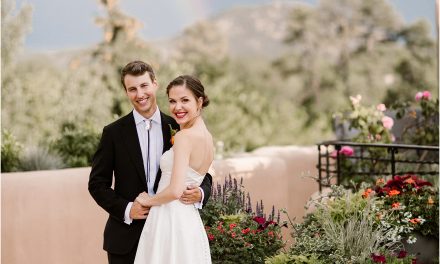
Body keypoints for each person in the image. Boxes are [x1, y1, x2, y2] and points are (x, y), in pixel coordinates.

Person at [88, 61, 212, 264]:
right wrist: (128, 209)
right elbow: (97, 184)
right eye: (132, 89)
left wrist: (201, 193)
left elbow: (202, 171)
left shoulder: (178, 124)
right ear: (126, 92)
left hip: (170, 233)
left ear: (155, 84)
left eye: (144, 86)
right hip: (125, 239)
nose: (140, 94)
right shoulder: (113, 133)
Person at [133, 75, 213, 264]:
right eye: (172, 101)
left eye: (185, 100)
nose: (177, 107)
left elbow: (176, 190)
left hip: (169, 218)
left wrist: (148, 200)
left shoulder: (184, 137)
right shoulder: (207, 137)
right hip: (188, 220)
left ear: (199, 101)